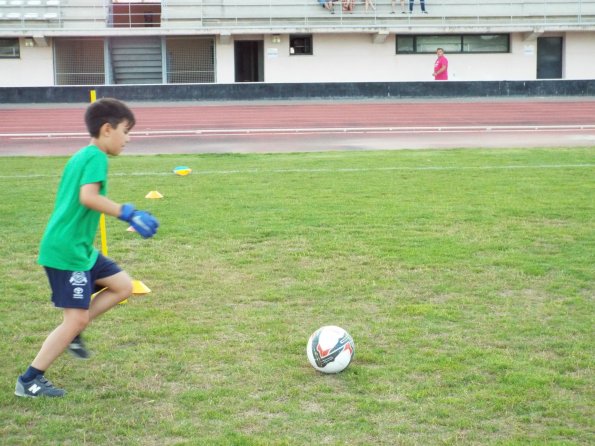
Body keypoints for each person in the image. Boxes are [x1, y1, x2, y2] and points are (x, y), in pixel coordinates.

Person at [14, 98, 159, 398]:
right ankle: (30, 380)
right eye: (126, 131)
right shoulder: (96, 157)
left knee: (122, 286)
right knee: (76, 317)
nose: (128, 139)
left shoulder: (82, 155)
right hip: (66, 251)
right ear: (107, 129)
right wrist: (128, 212)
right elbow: (88, 197)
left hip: (79, 248)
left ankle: (73, 331)